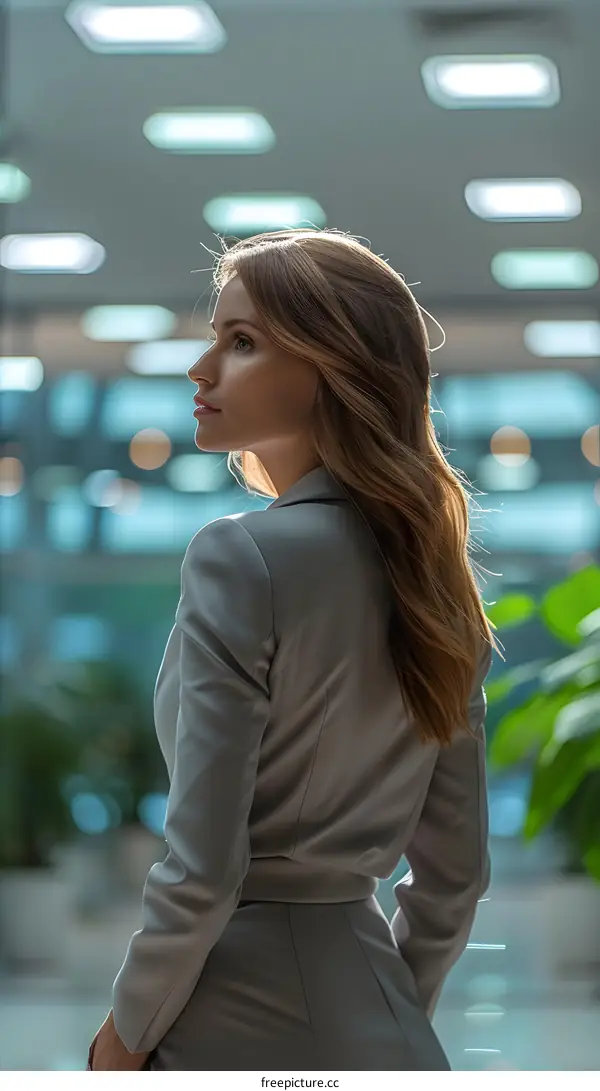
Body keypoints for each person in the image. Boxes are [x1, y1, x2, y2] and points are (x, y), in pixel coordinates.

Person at [88, 229, 497, 1071]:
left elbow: (203, 867)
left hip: (229, 1022)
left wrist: (121, 1039)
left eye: (241, 342)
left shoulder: (240, 555)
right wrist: (381, 1011)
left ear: (331, 368)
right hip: (385, 1020)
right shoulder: (432, 575)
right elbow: (455, 880)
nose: (201, 370)